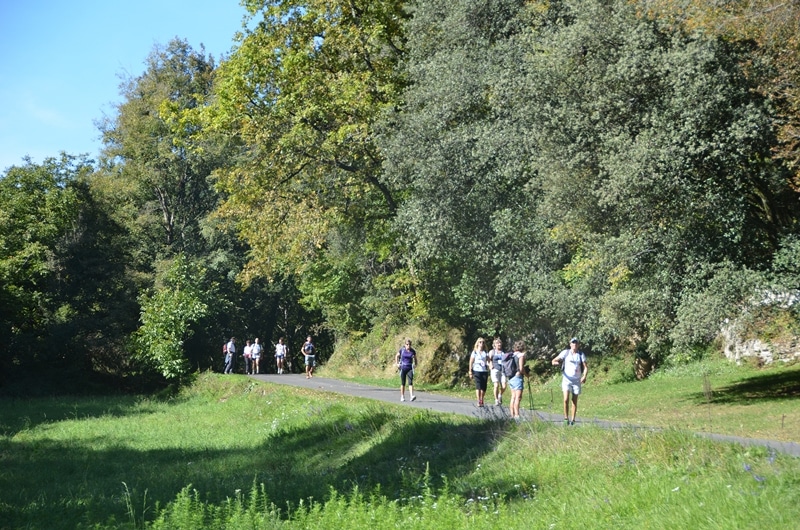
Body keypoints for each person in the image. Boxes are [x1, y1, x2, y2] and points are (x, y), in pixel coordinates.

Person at [552, 337, 588, 425]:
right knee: (565, 399)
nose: (574, 344)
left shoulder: (580, 354)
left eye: (576, 343)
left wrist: (584, 376)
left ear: (578, 345)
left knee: (574, 400)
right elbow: (553, 360)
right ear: (570, 344)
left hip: (576, 380)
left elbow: (586, 367)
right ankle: (565, 418)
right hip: (566, 379)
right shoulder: (566, 352)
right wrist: (555, 362)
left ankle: (573, 420)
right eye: (573, 343)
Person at [468, 337, 490, 407]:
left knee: (484, 386)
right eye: (480, 342)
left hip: (484, 370)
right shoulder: (474, 352)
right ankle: (478, 400)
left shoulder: (485, 352)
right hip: (476, 370)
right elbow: (471, 362)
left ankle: (482, 399)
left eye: (483, 342)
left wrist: (489, 366)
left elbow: (489, 360)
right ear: (477, 343)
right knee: (478, 386)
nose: (481, 343)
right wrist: (470, 371)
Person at [508, 340, 526, 420]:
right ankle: (517, 416)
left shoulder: (512, 355)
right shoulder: (521, 355)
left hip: (511, 377)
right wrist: (526, 374)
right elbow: (521, 368)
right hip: (518, 377)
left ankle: (512, 415)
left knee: (513, 397)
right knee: (518, 397)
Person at [489, 338, 507, 405]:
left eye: (500, 343)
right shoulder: (492, 352)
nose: (499, 344)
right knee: (496, 385)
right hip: (495, 370)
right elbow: (489, 360)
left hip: (502, 370)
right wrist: (490, 365)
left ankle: (500, 394)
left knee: (504, 385)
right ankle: (496, 399)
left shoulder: (503, 352)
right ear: (494, 345)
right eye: (497, 343)